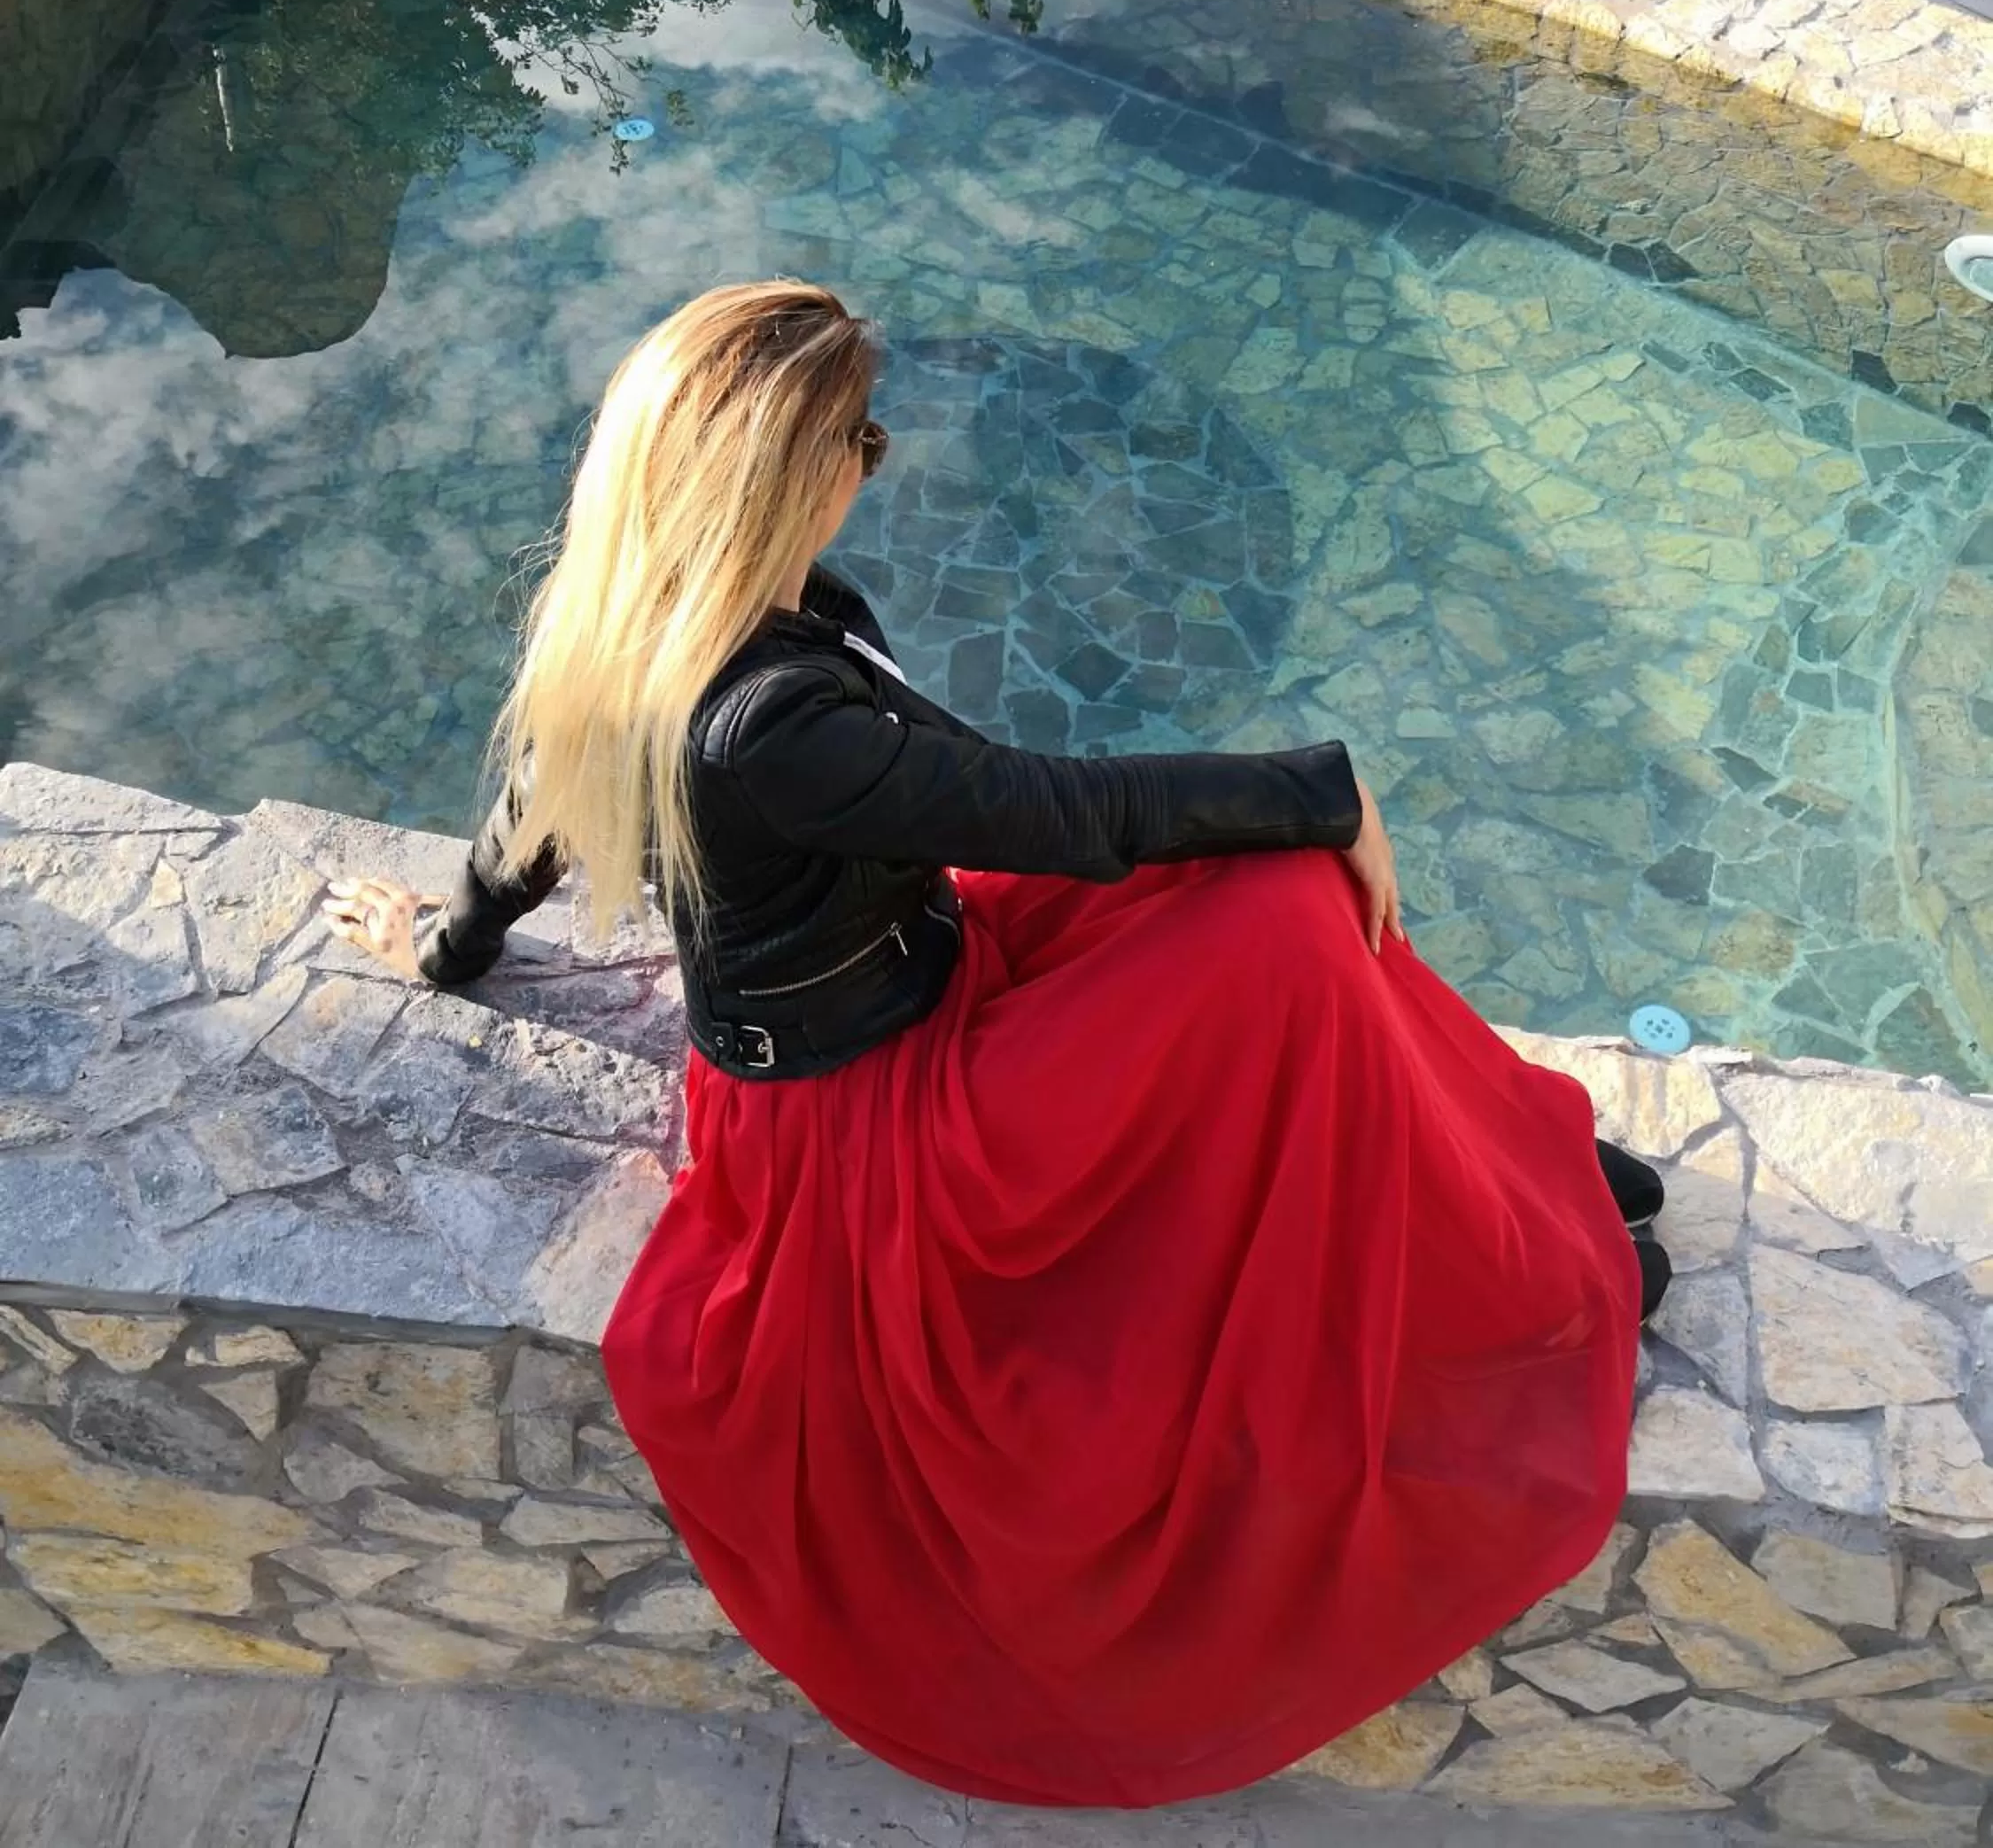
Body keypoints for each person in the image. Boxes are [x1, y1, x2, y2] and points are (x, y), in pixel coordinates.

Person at [323, 279, 1671, 1813]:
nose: (872, 464)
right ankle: (1490, 1244)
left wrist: (445, 950)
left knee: (1251, 911)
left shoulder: (679, 616)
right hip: (877, 1115)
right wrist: (1332, 792)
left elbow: (524, 833)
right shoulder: (765, 721)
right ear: (797, 473)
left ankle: (1474, 1172)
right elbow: (1064, 811)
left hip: (938, 963)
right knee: (1281, 904)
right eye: (864, 438)